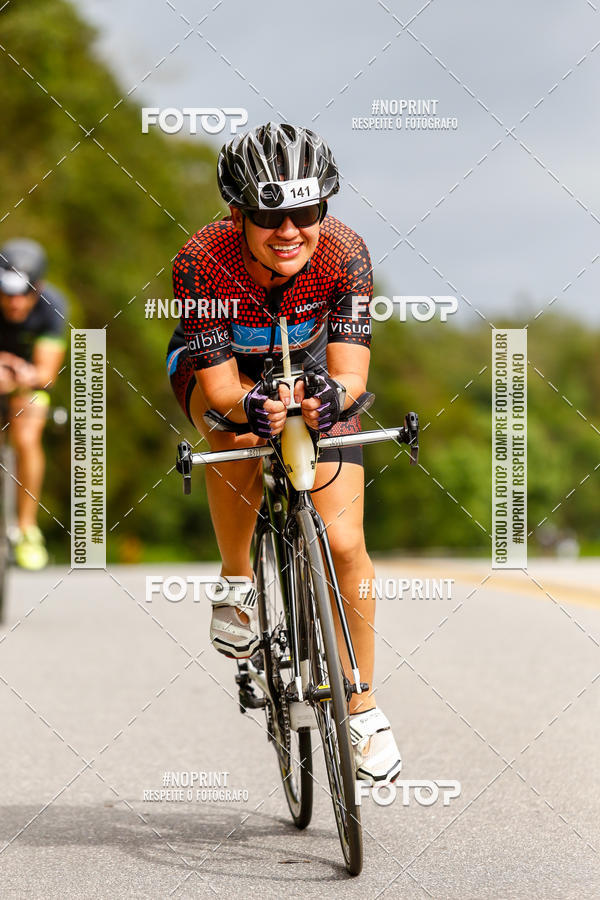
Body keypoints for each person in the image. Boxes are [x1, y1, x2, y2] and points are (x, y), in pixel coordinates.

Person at [166, 122, 400, 784]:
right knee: (237, 434)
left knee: (345, 542)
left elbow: (351, 375)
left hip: (312, 367)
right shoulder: (202, 261)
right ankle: (236, 578)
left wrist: (328, 399)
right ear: (238, 213)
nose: (291, 230)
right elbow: (220, 392)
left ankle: (362, 705)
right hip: (224, 372)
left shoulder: (345, 252)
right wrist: (253, 405)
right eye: (271, 215)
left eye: (307, 211)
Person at [0, 239, 67, 570]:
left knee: (26, 436)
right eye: (7, 292)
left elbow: (46, 374)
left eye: (23, 293)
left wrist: (16, 374)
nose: (15, 302)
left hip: (27, 382)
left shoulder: (53, 306)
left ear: (37, 288)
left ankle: (27, 528)